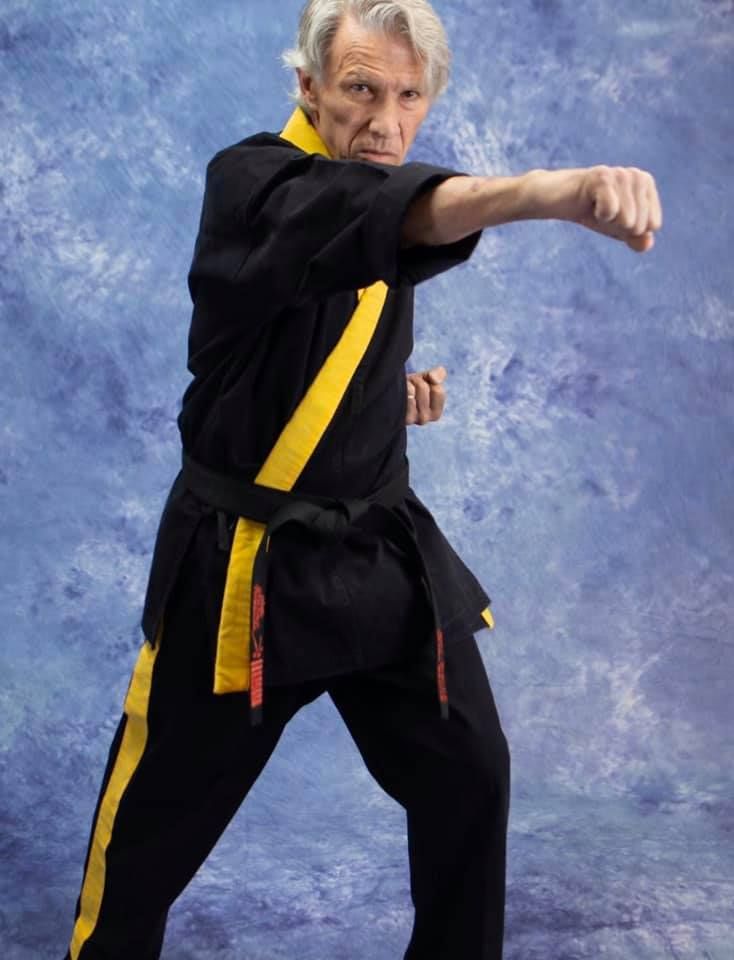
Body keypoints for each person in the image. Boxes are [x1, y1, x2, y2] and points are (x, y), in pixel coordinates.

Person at [63, 1, 662, 958]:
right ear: (307, 86)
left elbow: (325, 335)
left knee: (473, 773)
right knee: (145, 839)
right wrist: (550, 191)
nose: (386, 120)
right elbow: (356, 224)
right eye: (360, 90)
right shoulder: (253, 181)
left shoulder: (379, 192)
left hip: (377, 558)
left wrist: (391, 399)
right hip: (247, 578)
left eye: (409, 95)